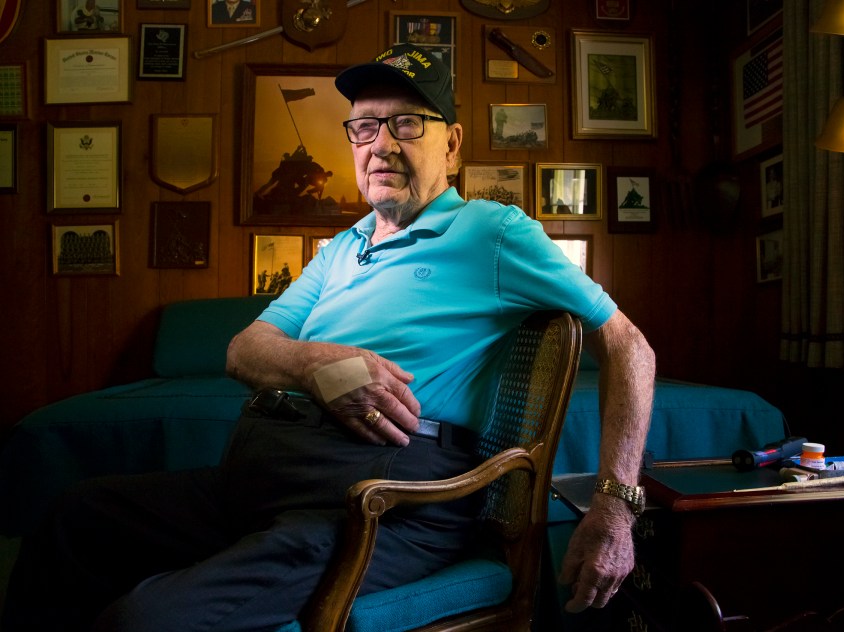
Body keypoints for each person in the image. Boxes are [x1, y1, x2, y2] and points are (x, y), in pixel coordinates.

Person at [2, 43, 654, 631]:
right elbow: (245, 351)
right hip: (259, 477)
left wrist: (616, 505)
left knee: (142, 620)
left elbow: (630, 347)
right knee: (73, 519)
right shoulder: (342, 247)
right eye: (365, 127)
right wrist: (321, 363)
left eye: (406, 124)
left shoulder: (493, 232)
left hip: (381, 496)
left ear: (452, 144)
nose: (381, 144)